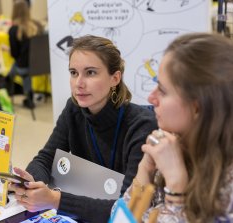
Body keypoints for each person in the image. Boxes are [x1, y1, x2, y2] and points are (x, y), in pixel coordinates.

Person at [9, 35, 157, 222]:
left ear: (115, 78)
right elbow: (46, 158)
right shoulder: (74, 109)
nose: (79, 83)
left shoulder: (142, 125)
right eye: (73, 72)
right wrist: (31, 180)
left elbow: (127, 209)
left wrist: (55, 200)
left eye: (90, 73)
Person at [114, 33, 233, 222]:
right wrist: (144, 171)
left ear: (197, 107)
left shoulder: (231, 183)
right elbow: (120, 217)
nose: (151, 98)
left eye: (162, 91)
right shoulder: (174, 145)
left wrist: (176, 189)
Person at [6, 0, 43, 108]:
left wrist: (8, 50)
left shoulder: (13, 30)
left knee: (14, 69)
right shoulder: (36, 27)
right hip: (38, 66)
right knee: (24, 70)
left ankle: (5, 86)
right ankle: (29, 96)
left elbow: (14, 54)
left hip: (24, 67)